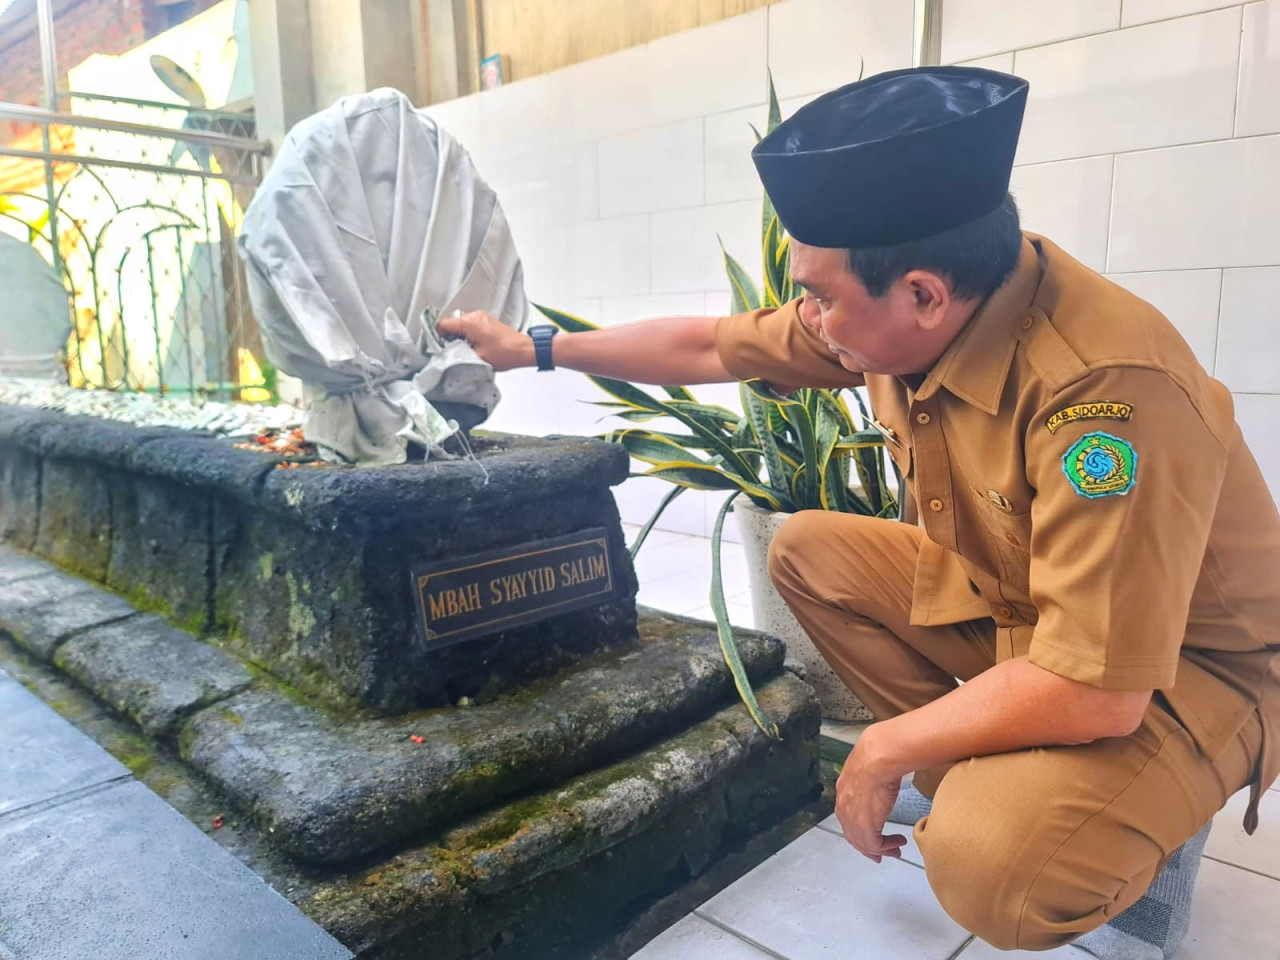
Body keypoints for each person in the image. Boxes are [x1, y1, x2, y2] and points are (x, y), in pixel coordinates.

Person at [438, 66, 1280, 958]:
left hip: (1189, 663)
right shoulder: (917, 302)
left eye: (821, 296)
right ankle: (1011, 776)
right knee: (807, 549)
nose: (807, 316)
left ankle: (1131, 824)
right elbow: (709, 345)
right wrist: (532, 347)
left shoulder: (1103, 397)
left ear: (921, 294)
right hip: (1028, 607)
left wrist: (884, 748)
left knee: (992, 870)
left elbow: (1099, 687)